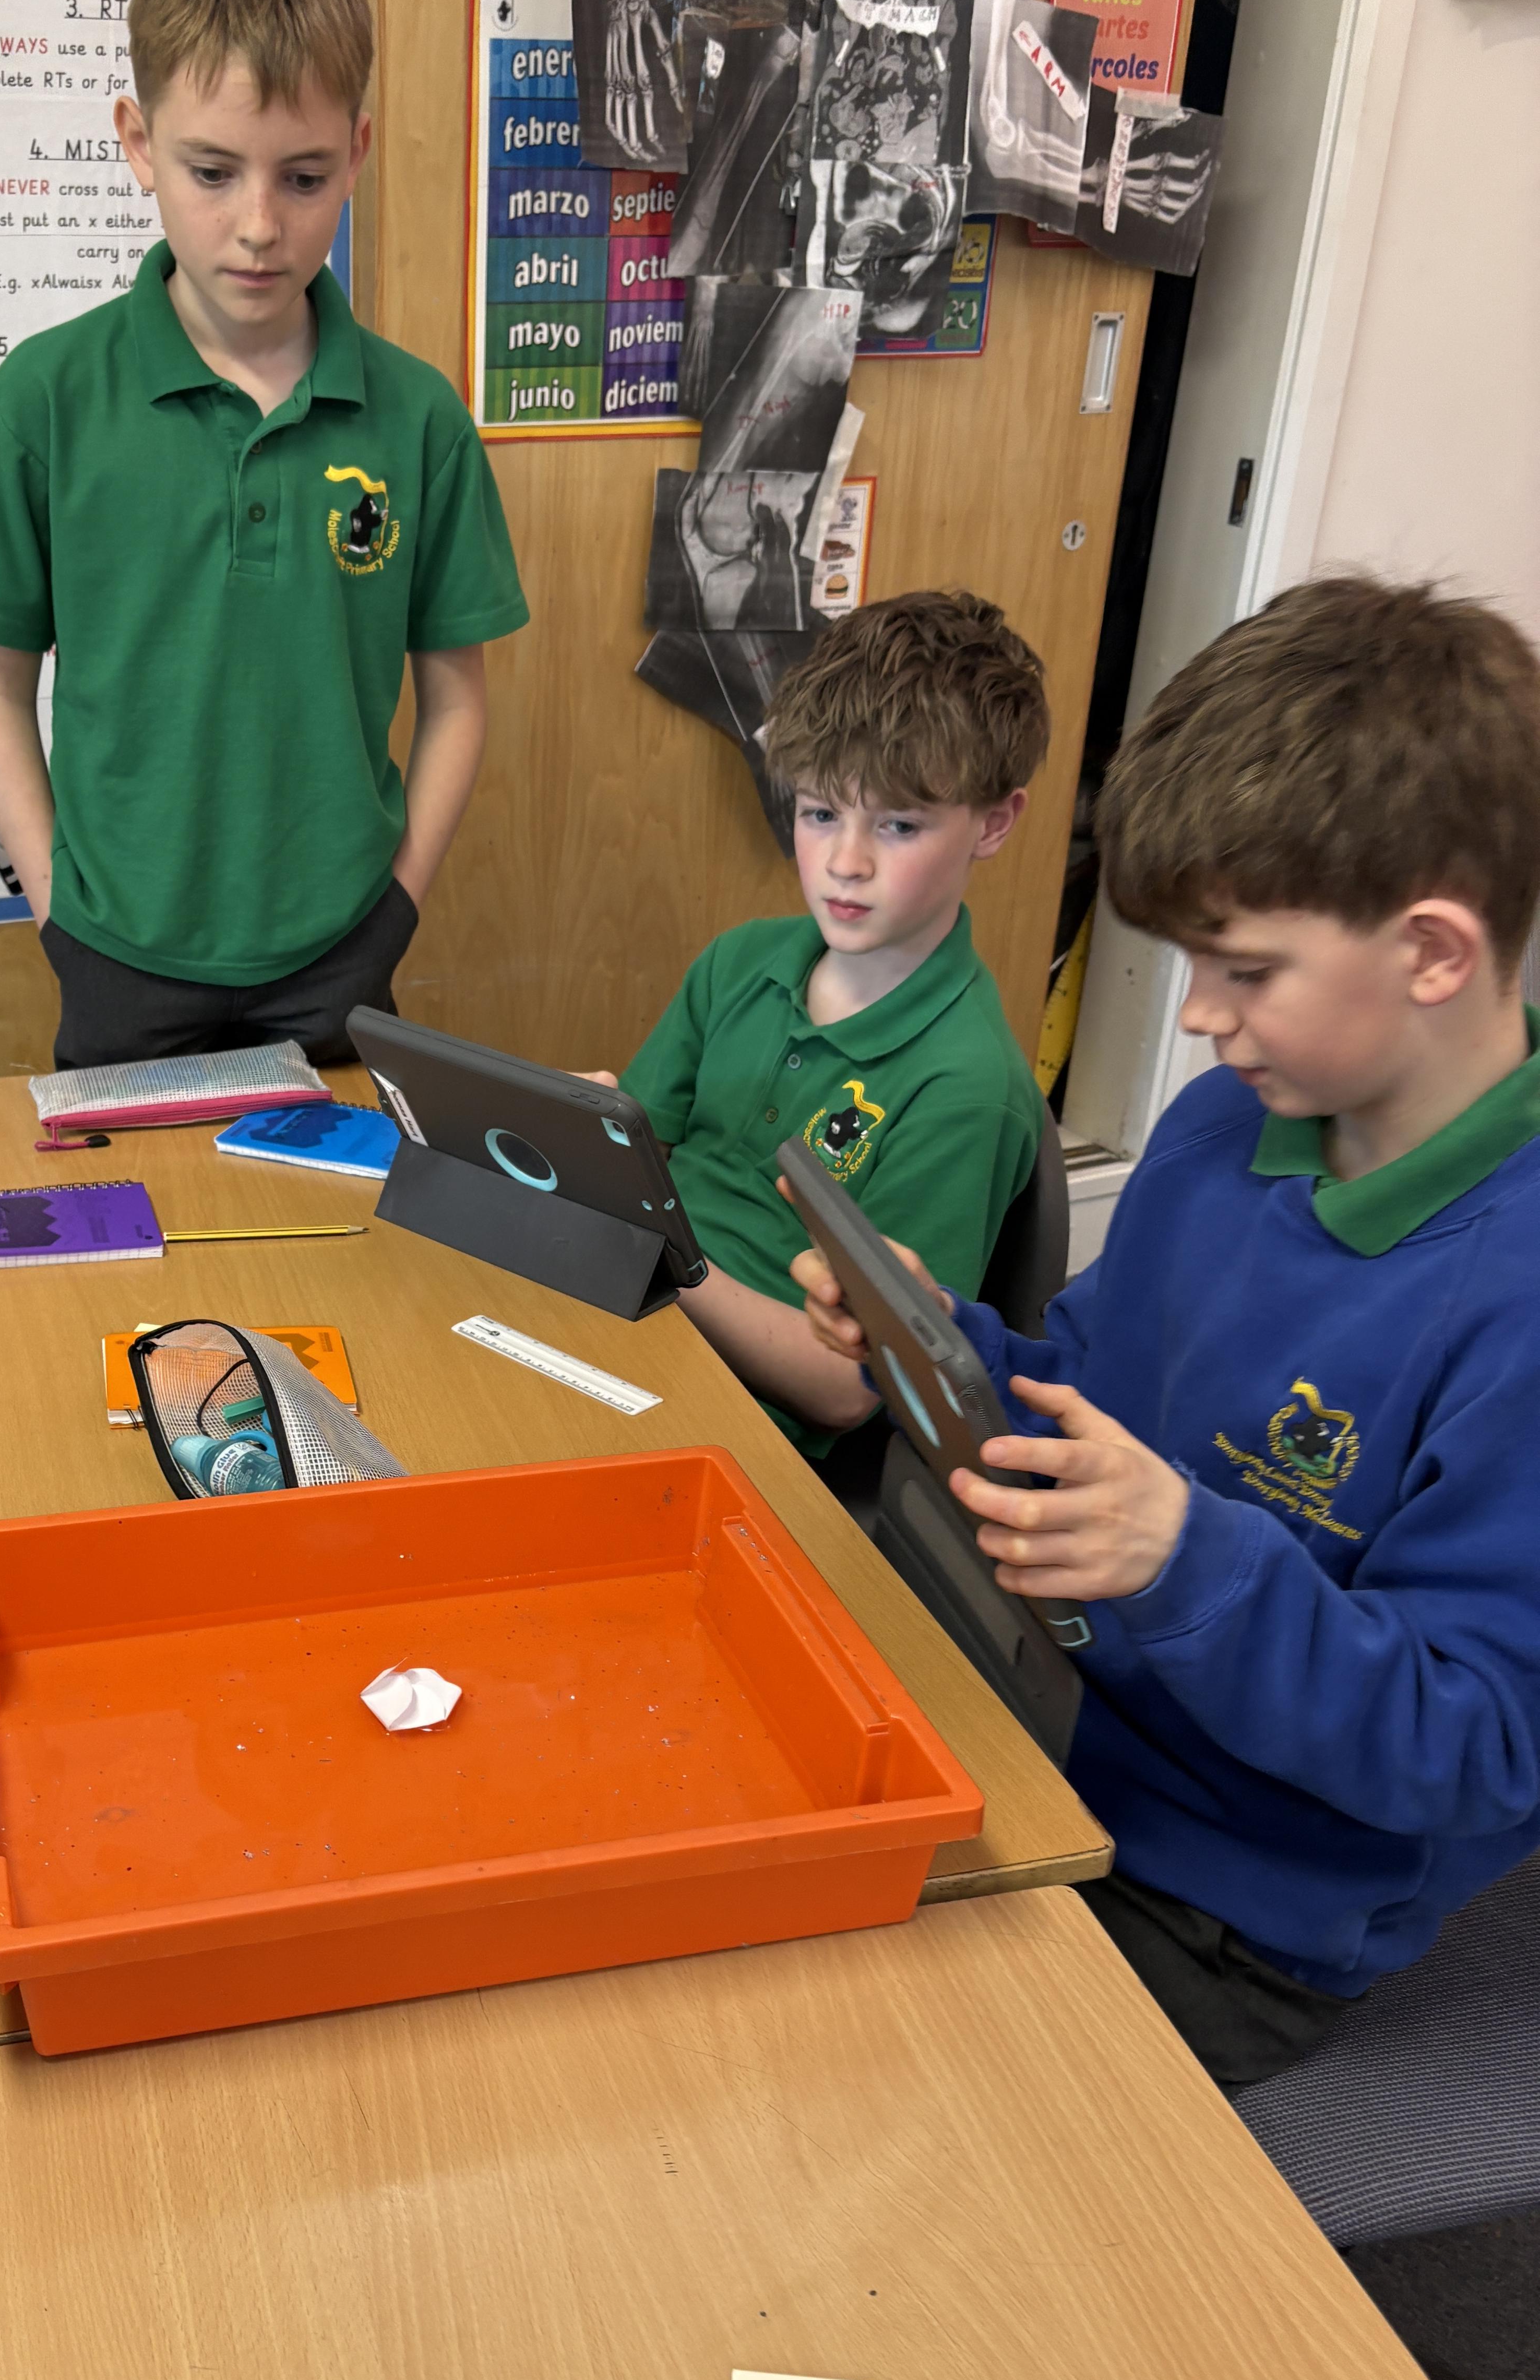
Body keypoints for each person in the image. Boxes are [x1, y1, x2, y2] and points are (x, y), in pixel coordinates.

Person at [795, 576, 1540, 2087]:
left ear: (1432, 953)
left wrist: (1187, 1561)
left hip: (1213, 1903)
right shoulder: (1222, 1129)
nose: (1197, 1016)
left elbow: (1475, 1748)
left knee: (842, 2099)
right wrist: (946, 1349)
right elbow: (1090, 1397)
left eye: (1245, 971)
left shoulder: (1510, 1295)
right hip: (1020, 1704)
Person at [0, 0, 529, 1071]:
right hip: (116, 954)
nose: (259, 226)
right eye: (212, 171)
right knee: (142, 1198)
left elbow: (457, 701)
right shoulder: (46, 401)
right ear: (138, 142)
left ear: (357, 152)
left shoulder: (419, 420)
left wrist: (394, 910)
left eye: (303, 177)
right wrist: (59, 914)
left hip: (342, 954)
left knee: (337, 1197)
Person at [612, 590, 1048, 1461]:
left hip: (735, 1427)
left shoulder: (968, 1086)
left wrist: (658, 1260)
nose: (846, 863)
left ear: (994, 823)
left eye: (899, 824)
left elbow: (850, 1391)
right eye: (820, 814)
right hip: (621, 1320)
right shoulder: (740, 962)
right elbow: (638, 1155)